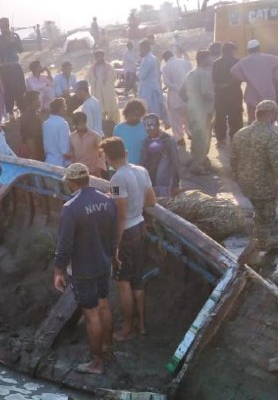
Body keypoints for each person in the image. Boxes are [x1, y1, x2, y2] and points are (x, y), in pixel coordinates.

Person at [53, 163, 117, 374]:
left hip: (84, 269)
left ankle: (96, 363)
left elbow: (64, 246)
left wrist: (58, 270)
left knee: (91, 315)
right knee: (104, 307)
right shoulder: (107, 200)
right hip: (103, 264)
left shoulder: (71, 208)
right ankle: (108, 349)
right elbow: (113, 234)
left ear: (72, 182)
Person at [101, 137, 155, 341]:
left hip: (128, 232)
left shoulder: (117, 179)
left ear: (107, 158)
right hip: (141, 225)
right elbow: (151, 200)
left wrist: (115, 245)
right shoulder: (141, 171)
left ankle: (126, 329)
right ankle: (141, 325)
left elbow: (121, 213)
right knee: (138, 280)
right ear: (126, 153)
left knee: (123, 282)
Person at [231, 100, 278, 265]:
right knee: (267, 215)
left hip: (245, 184)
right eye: (275, 114)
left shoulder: (240, 133)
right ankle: (259, 247)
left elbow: (233, 160)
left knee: (259, 210)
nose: (276, 118)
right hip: (264, 185)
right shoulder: (269, 136)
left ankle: (259, 237)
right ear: (269, 114)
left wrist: (238, 178)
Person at [231, 40, 278, 123]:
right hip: (268, 91)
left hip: (252, 92)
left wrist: (245, 79)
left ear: (248, 50)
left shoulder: (245, 60)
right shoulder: (268, 57)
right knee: (268, 118)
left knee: (252, 119)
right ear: (259, 48)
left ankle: (253, 134)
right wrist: (276, 75)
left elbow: (233, 70)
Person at [181, 51, 215, 175]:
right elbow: (206, 93)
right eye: (209, 57)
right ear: (204, 59)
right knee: (203, 138)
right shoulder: (204, 74)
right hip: (203, 110)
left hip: (192, 108)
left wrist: (191, 102)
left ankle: (195, 158)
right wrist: (217, 100)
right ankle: (197, 165)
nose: (211, 60)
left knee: (196, 135)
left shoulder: (190, 74)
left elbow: (182, 92)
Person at [140, 114, 181, 197]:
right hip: (151, 181)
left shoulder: (168, 140)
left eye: (152, 127)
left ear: (158, 125)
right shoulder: (146, 141)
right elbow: (143, 161)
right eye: (146, 128)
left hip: (165, 182)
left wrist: (176, 184)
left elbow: (175, 162)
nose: (149, 130)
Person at [212, 42, 243, 148]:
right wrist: (230, 83)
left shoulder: (216, 63)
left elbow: (214, 80)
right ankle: (236, 139)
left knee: (220, 118)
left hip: (220, 95)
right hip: (234, 94)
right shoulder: (237, 62)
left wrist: (223, 85)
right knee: (236, 118)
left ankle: (221, 140)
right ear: (231, 51)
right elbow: (240, 79)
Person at [0, 17, 26, 119]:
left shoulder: (16, 35)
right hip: (5, 67)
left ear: (8, 25)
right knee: (8, 90)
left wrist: (14, 42)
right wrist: (7, 44)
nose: (2, 28)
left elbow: (21, 50)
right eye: (0, 27)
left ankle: (22, 110)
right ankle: (10, 113)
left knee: (20, 89)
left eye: (4, 26)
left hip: (16, 64)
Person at [161, 50, 192, 146]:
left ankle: (179, 138)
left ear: (165, 59)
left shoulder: (166, 67)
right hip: (188, 96)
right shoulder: (186, 62)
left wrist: (178, 89)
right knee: (188, 117)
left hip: (175, 97)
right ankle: (190, 133)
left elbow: (167, 83)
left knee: (175, 119)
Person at [88, 50, 120, 123]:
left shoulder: (109, 67)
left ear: (103, 57)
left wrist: (106, 85)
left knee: (112, 110)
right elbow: (90, 80)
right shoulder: (92, 68)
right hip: (97, 93)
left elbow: (113, 78)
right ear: (95, 58)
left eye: (100, 56)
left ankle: (113, 125)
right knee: (99, 112)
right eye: (97, 56)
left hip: (108, 92)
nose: (98, 58)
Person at [137, 39, 166, 122]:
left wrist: (137, 72)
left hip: (148, 89)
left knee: (149, 111)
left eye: (140, 48)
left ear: (145, 48)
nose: (140, 51)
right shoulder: (151, 58)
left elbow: (142, 76)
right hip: (152, 87)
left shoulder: (148, 60)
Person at [112, 99, 148, 165]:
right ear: (126, 113)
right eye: (132, 114)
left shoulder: (146, 127)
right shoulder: (118, 129)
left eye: (137, 114)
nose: (134, 117)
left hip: (143, 166)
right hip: (125, 167)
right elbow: (114, 149)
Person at [69, 112, 103, 177]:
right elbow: (72, 154)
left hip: (94, 171)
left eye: (82, 123)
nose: (80, 125)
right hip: (79, 172)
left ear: (85, 122)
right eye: (78, 124)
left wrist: (99, 167)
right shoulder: (72, 137)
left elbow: (102, 153)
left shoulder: (95, 136)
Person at [43, 98, 71, 167]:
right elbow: (64, 150)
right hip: (60, 163)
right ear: (60, 108)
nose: (66, 109)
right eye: (64, 106)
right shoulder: (63, 124)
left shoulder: (46, 123)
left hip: (48, 160)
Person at [18, 91, 44, 161]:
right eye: (39, 100)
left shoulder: (27, 113)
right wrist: (33, 155)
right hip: (33, 152)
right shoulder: (32, 117)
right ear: (33, 102)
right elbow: (30, 138)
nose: (40, 102)